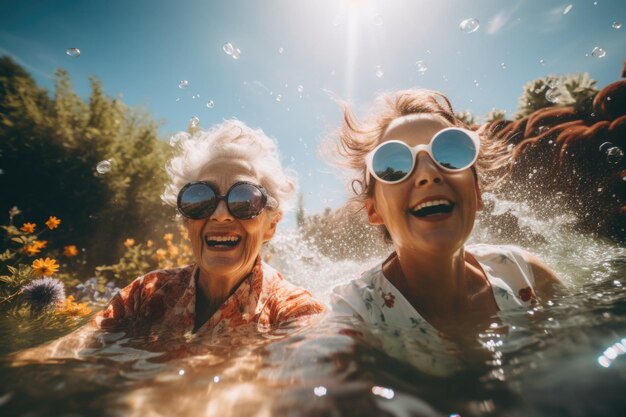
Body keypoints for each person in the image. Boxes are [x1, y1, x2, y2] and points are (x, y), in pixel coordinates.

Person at [329, 90, 566, 364]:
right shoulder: (355, 312)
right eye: (394, 164)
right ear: (374, 210)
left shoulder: (524, 275)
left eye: (449, 153)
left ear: (477, 193)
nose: (429, 174)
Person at [92, 120, 325, 338]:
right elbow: (72, 353)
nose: (220, 215)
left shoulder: (294, 312)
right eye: (201, 198)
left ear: (271, 225)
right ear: (187, 222)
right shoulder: (145, 295)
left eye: (245, 199)